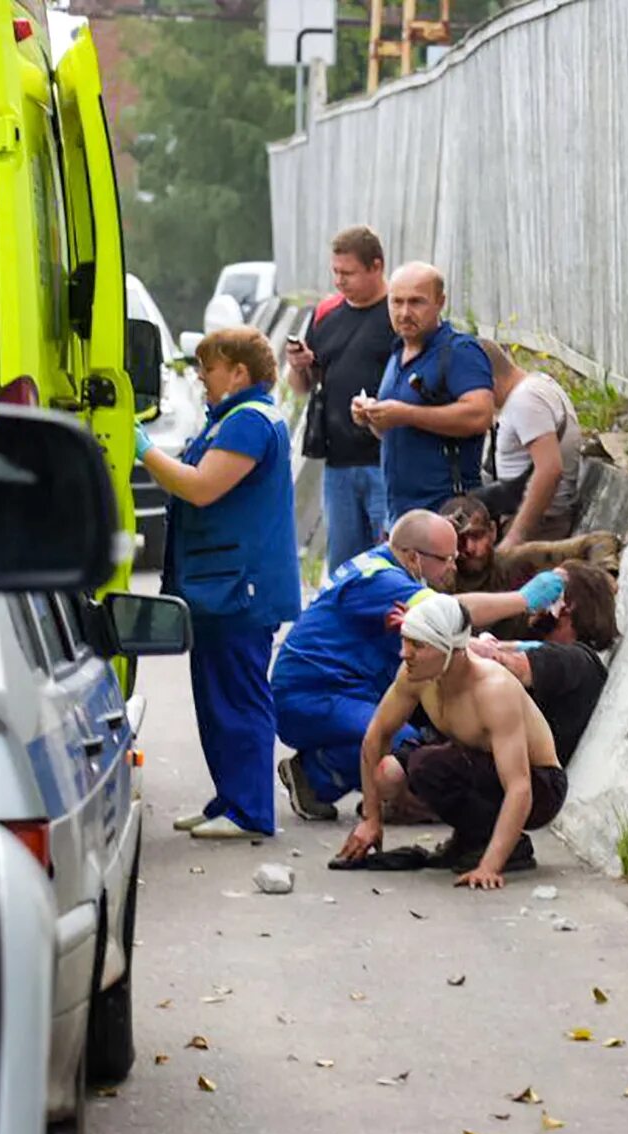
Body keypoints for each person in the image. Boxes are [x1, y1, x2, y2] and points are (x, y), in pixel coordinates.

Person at [272, 510, 566, 822]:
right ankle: (318, 777)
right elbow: (452, 613)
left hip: (340, 688)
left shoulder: (382, 566)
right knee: (404, 749)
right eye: (446, 559)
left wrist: (515, 648)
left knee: (408, 738)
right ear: (413, 557)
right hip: (313, 695)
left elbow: (449, 638)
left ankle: (326, 775)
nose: (453, 566)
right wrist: (523, 600)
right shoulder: (381, 581)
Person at [137, 326, 300, 839]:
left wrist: (142, 450)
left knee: (238, 697)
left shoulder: (248, 421)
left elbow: (202, 487)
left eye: (209, 368)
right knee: (216, 697)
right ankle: (229, 799)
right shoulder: (232, 419)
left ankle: (250, 811)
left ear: (238, 372)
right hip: (220, 584)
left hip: (239, 587)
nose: (203, 378)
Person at [338, 595, 567, 889]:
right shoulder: (415, 675)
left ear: (452, 650)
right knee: (390, 772)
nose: (405, 654)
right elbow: (376, 735)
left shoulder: (494, 690)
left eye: (418, 645)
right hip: (478, 762)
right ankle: (471, 837)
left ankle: (506, 848)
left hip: (541, 788)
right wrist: (371, 819)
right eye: (406, 641)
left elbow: (520, 786)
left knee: (430, 766)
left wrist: (490, 867)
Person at [286, 225, 396, 570]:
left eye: (347, 273)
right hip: (338, 464)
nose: (339, 281)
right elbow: (303, 386)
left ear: (376, 266)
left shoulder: (399, 314)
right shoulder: (326, 314)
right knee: (344, 568)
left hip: (386, 461)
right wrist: (298, 365)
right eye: (335, 272)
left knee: (390, 564)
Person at [350, 263, 493, 519]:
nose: (404, 312)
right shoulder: (398, 353)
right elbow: (396, 430)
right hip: (400, 515)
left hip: (449, 516)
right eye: (397, 302)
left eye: (416, 302)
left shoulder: (459, 350)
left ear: (440, 302)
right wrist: (372, 417)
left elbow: (479, 415)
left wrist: (406, 414)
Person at [466, 559, 618, 766]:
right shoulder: (557, 655)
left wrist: (519, 601)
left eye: (552, 586)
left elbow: (504, 662)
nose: (539, 589)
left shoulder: (577, 660)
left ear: (568, 605)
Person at [472, 338, 583, 543]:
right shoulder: (530, 389)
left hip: (540, 527)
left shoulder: (526, 400)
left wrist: (516, 537)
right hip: (530, 521)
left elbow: (549, 470)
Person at [440, 493, 620, 596]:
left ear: (493, 532)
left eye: (477, 536)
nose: (469, 548)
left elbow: (600, 541)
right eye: (460, 540)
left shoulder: (515, 562)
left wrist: (604, 575)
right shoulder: (437, 581)